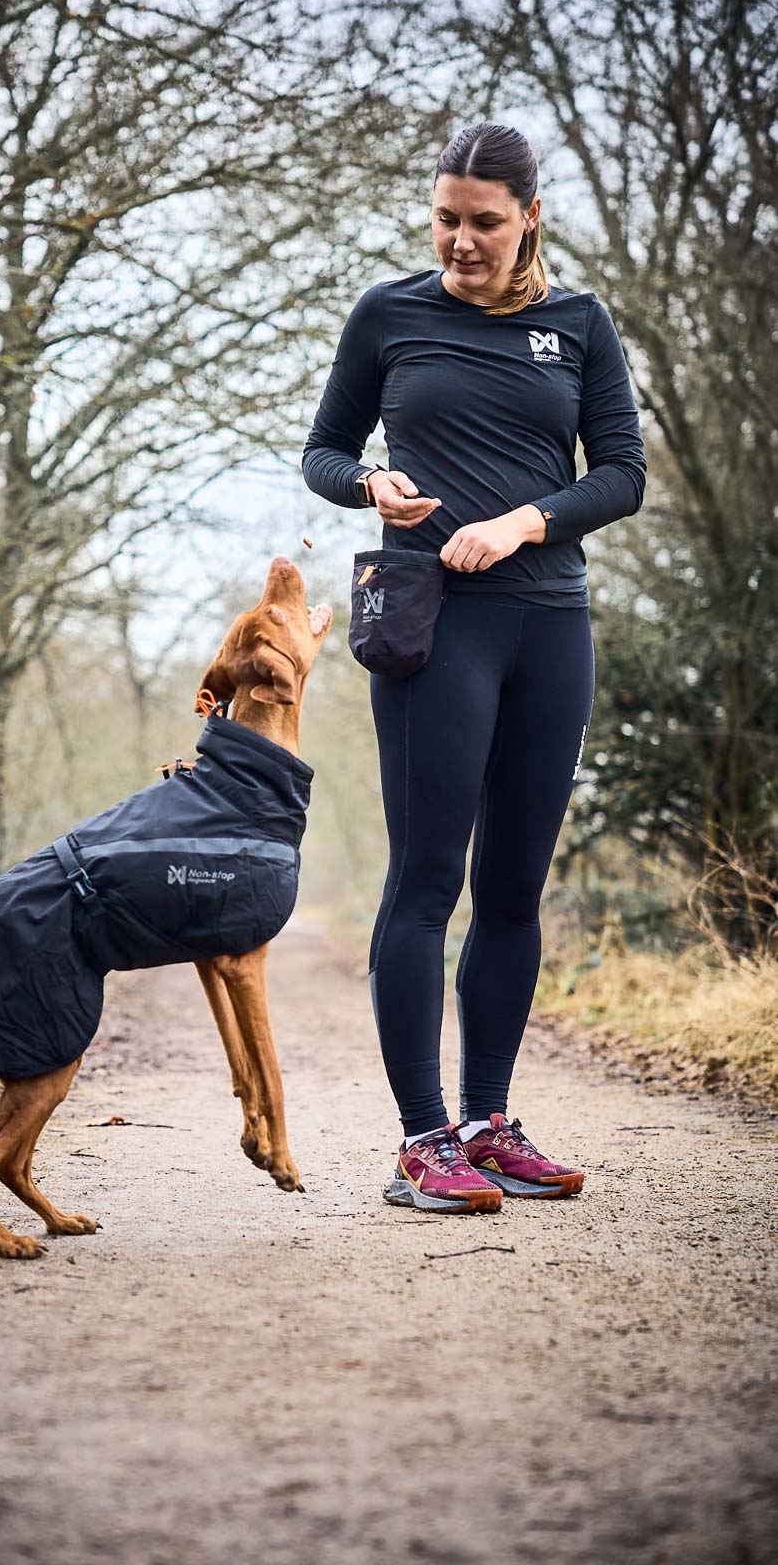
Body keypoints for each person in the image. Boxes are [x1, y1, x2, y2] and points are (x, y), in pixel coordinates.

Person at [301, 122, 647, 1213]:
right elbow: (322, 452)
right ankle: (422, 1140)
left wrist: (523, 522)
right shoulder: (388, 314)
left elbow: (622, 474)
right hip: (431, 624)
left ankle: (488, 1125)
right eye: (445, 219)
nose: (460, 241)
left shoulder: (578, 324)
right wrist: (369, 485)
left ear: (528, 217)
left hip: (549, 627)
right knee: (424, 881)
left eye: (484, 223)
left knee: (511, 889)